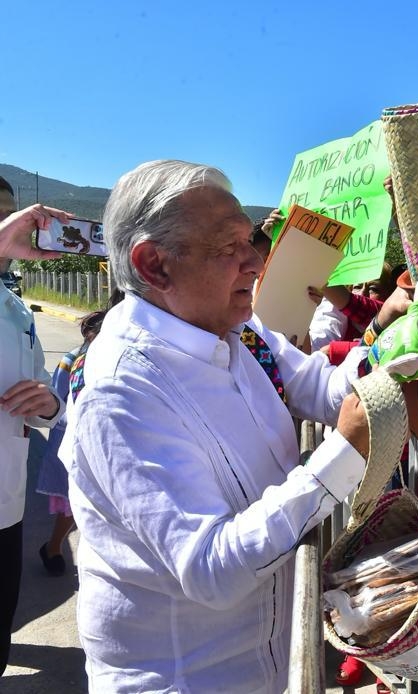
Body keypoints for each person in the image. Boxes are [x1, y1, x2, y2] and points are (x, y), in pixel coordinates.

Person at [59, 160, 372, 693]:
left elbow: (325, 391)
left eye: (249, 240)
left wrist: (408, 342)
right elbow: (210, 568)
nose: (255, 260)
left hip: (273, 668)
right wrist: (342, 454)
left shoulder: (239, 328)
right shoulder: (121, 389)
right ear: (155, 265)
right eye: (229, 247)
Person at [0, 186, 64, 674]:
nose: (13, 225)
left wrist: (47, 403)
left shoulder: (16, 308)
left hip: (6, 505)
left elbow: (43, 395)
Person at [36, 308, 109, 576]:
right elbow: (57, 400)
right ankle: (53, 547)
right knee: (72, 504)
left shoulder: (114, 359)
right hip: (72, 439)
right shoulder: (72, 361)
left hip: (101, 444)